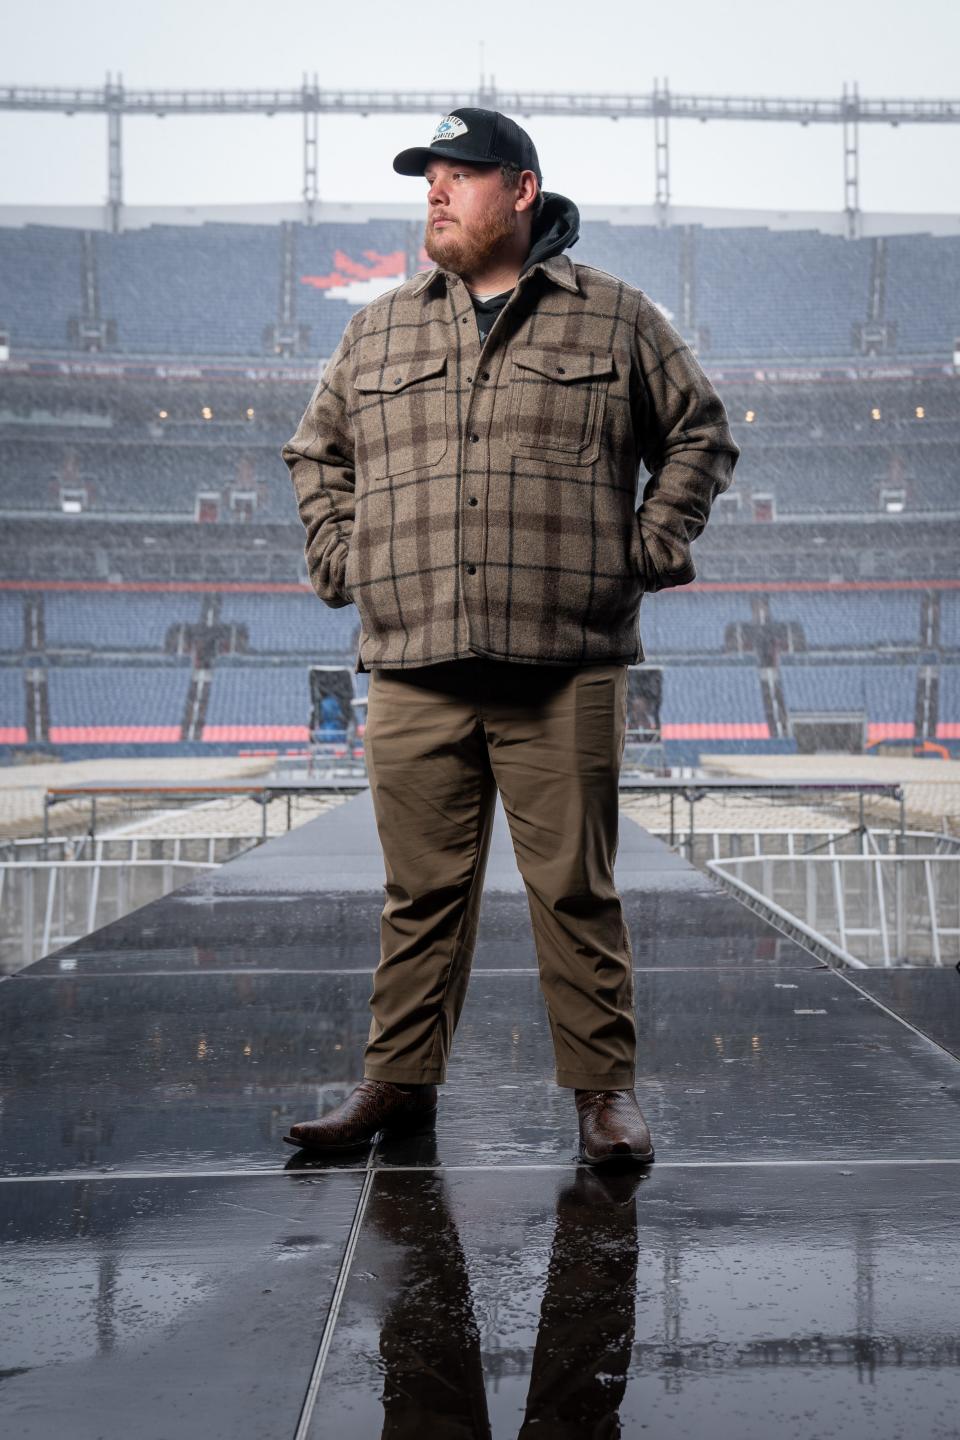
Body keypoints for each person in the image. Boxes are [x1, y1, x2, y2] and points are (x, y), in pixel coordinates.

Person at [280, 107, 740, 1165]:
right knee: (419, 898)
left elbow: (699, 432)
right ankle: (397, 1086)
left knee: (576, 891)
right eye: (427, 179)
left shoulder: (617, 319)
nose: (435, 193)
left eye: (459, 175)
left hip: (562, 661)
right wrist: (344, 561)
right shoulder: (379, 327)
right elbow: (317, 455)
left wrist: (648, 548)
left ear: (521, 190)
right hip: (413, 661)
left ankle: (601, 1098)